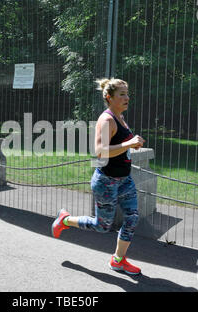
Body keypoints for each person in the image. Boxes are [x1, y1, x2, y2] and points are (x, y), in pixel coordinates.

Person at [51, 78, 146, 275]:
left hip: (124, 180)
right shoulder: (107, 119)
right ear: (109, 97)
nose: (127, 98)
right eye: (122, 94)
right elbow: (100, 152)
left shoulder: (120, 118)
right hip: (106, 182)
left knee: (132, 218)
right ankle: (65, 220)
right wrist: (129, 144)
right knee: (102, 226)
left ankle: (118, 260)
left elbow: (118, 146)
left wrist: (133, 143)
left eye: (127, 94)